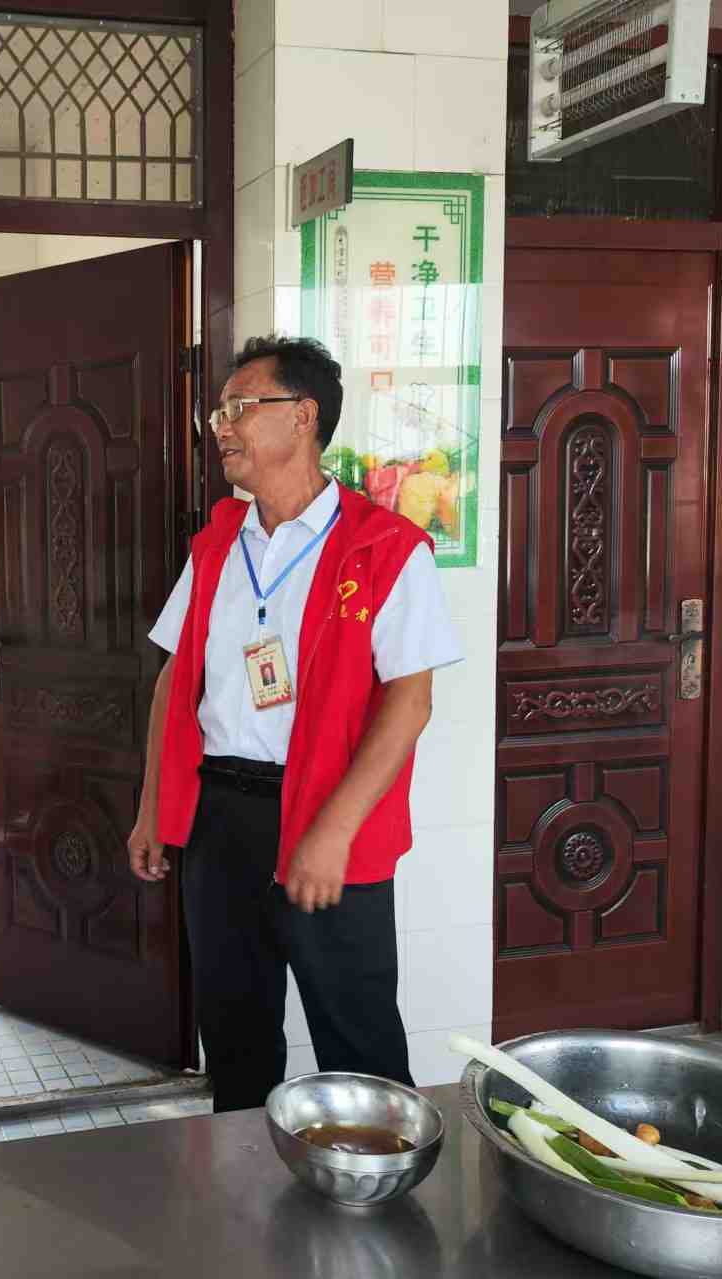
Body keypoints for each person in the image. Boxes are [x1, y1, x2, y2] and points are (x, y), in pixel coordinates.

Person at [127, 335, 462, 1114]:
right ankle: (245, 1183)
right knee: (235, 1035)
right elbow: (176, 677)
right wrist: (154, 807)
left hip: (328, 817)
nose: (222, 425)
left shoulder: (384, 548)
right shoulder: (218, 543)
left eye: (240, 407)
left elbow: (409, 703)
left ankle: (377, 1181)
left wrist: (332, 831)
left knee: (358, 1038)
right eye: (220, 412)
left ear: (304, 417)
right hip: (221, 819)